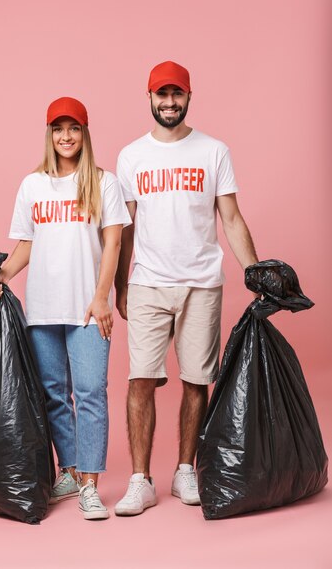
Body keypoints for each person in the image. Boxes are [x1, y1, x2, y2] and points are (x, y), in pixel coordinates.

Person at [114, 61, 259, 516]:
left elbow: (230, 218)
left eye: (177, 94)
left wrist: (256, 273)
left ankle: (184, 470)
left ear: (189, 96)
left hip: (202, 284)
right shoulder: (131, 156)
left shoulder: (214, 151)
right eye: (162, 95)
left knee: (197, 381)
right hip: (148, 283)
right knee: (141, 380)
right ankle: (140, 480)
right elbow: (126, 227)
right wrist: (121, 284)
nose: (170, 102)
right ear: (150, 97)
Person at [0, 96, 131, 520]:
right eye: (58, 129)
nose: (66, 136)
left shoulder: (103, 183)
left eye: (73, 129)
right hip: (43, 309)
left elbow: (114, 242)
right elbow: (26, 244)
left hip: (88, 308)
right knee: (53, 394)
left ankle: (90, 483)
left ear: (85, 134)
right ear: (49, 135)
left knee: (90, 393)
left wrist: (101, 296)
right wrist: (1, 277)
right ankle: (68, 470)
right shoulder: (33, 185)